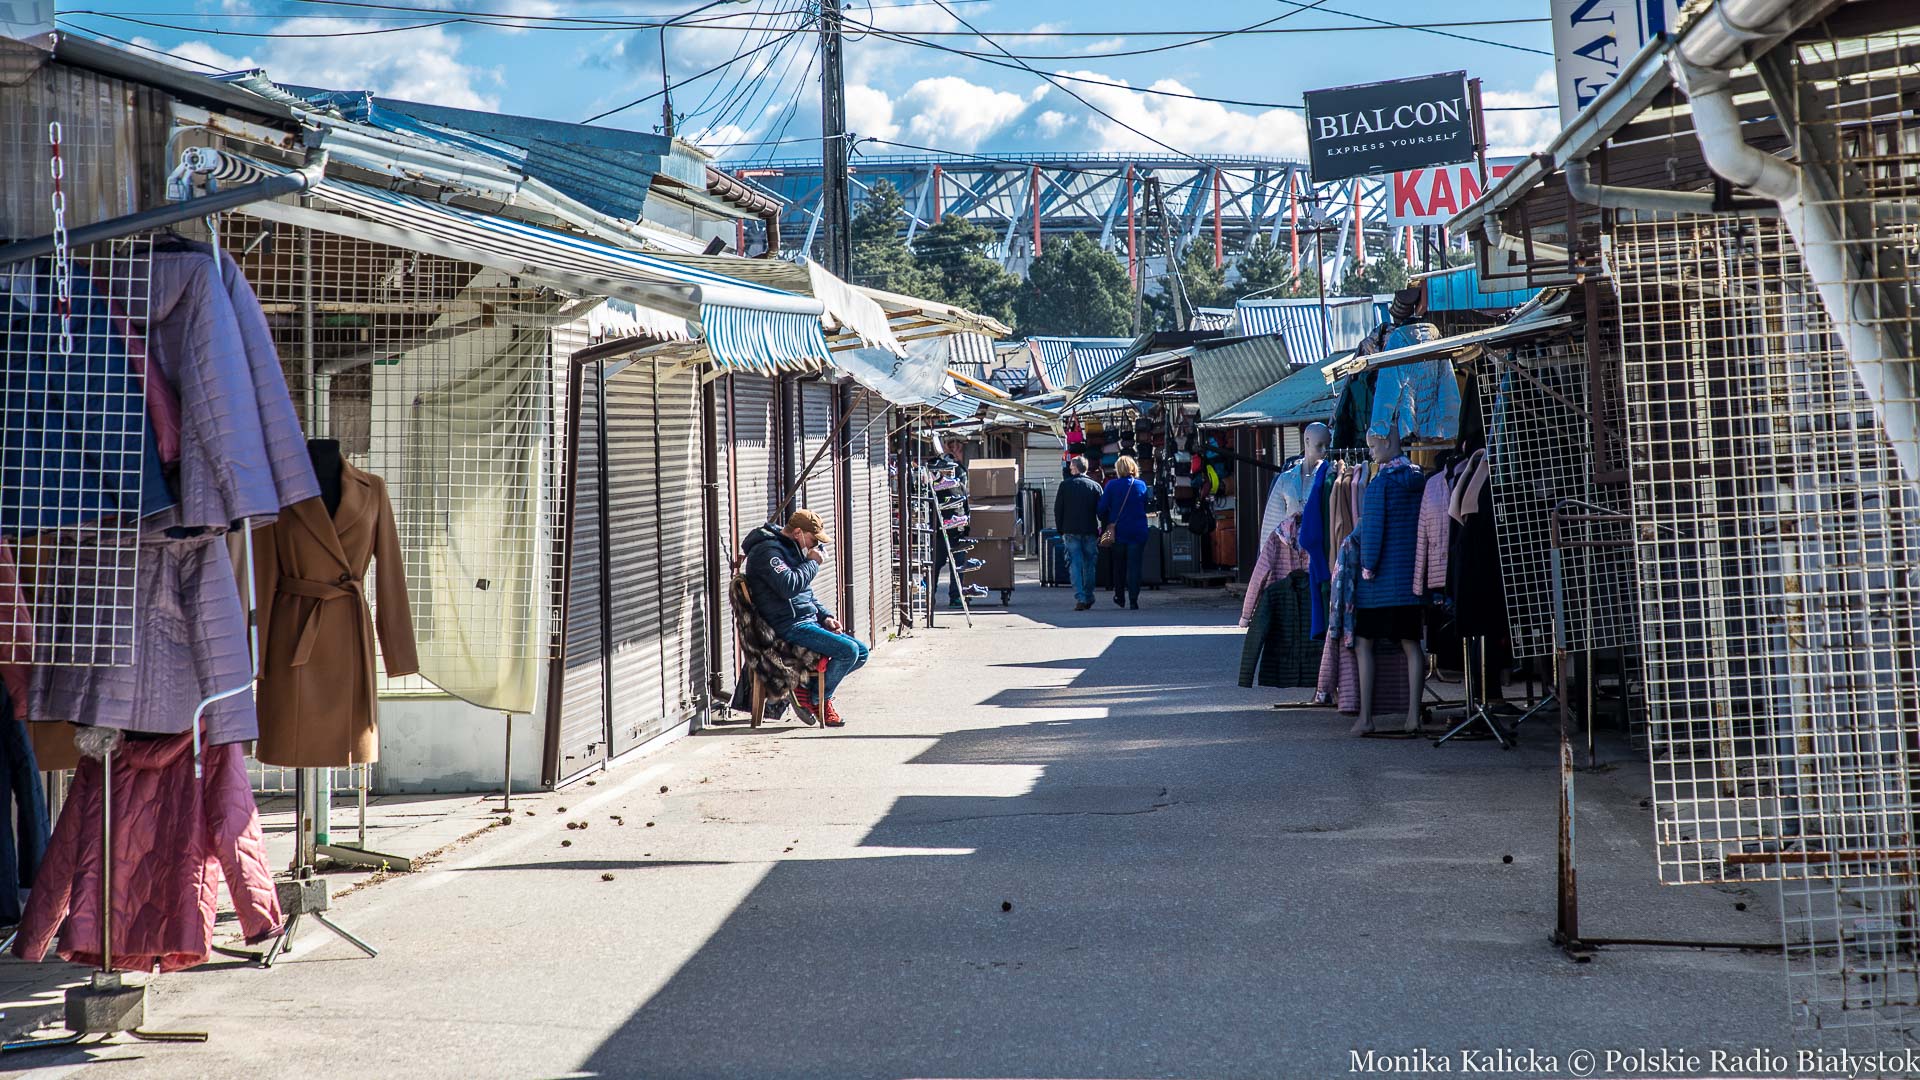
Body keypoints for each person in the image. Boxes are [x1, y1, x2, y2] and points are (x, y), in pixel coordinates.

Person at [740, 509, 868, 727]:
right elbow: (789, 586)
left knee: (862, 652)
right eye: (812, 539)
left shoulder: (790, 550)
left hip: (804, 621)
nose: (815, 546)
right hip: (786, 626)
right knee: (849, 651)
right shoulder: (768, 552)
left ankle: (805, 692)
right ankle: (817, 700)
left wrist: (825, 616)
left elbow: (805, 593)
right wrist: (812, 563)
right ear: (798, 532)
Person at [1097, 455, 1151, 610]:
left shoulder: (1111, 486)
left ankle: (1119, 595)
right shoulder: (1141, 485)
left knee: (1119, 565)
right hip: (1138, 531)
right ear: (1134, 467)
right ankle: (1134, 600)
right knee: (1135, 566)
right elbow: (1146, 505)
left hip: (1118, 532)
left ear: (1118, 469)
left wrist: (1106, 520)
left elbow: (1101, 508)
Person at [1053, 454, 1104, 611]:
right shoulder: (1095, 486)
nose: (1069, 468)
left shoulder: (1065, 486)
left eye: (1071, 466)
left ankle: (1081, 597)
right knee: (1090, 564)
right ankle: (1089, 596)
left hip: (1070, 531)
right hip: (1090, 530)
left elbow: (1058, 510)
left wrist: (1060, 529)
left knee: (1075, 564)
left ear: (1075, 468)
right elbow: (1101, 512)